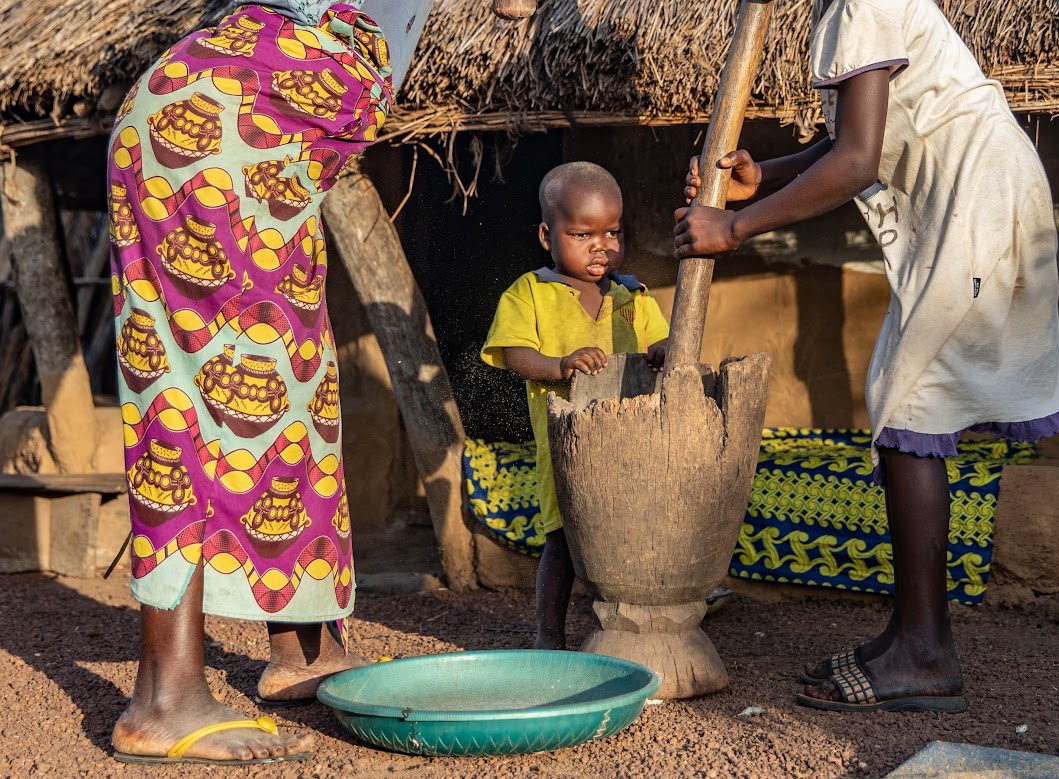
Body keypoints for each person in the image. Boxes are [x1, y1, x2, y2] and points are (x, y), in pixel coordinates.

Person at [674, 0, 1059, 713]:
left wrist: (736, 226)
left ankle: (926, 652)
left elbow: (858, 161)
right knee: (901, 391)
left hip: (978, 199)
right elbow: (863, 140)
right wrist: (764, 175)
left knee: (911, 398)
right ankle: (910, 632)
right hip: (974, 197)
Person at [108, 0, 429, 764]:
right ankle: (165, 697)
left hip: (249, 125)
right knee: (188, 394)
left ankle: (304, 645)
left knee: (293, 384)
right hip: (225, 124)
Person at [481, 162, 670, 650]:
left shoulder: (633, 298)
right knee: (562, 540)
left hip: (633, 445)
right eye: (582, 233)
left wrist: (663, 353)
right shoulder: (530, 294)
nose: (601, 245)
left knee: (637, 535)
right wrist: (561, 364)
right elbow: (516, 355)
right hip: (564, 447)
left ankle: (641, 631)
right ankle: (549, 637)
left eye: (612, 232)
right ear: (548, 235)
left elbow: (667, 347)